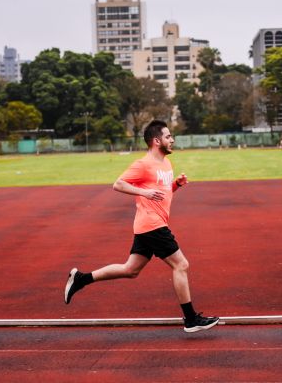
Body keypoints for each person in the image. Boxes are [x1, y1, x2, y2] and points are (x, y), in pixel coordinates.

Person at [64, 120, 219, 333]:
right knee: (181, 265)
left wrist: (176, 185)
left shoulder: (166, 164)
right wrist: (143, 192)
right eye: (168, 136)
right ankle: (191, 319)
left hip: (148, 225)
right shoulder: (143, 164)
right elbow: (118, 184)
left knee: (131, 270)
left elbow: (161, 194)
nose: (172, 139)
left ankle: (81, 279)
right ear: (156, 141)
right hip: (152, 225)